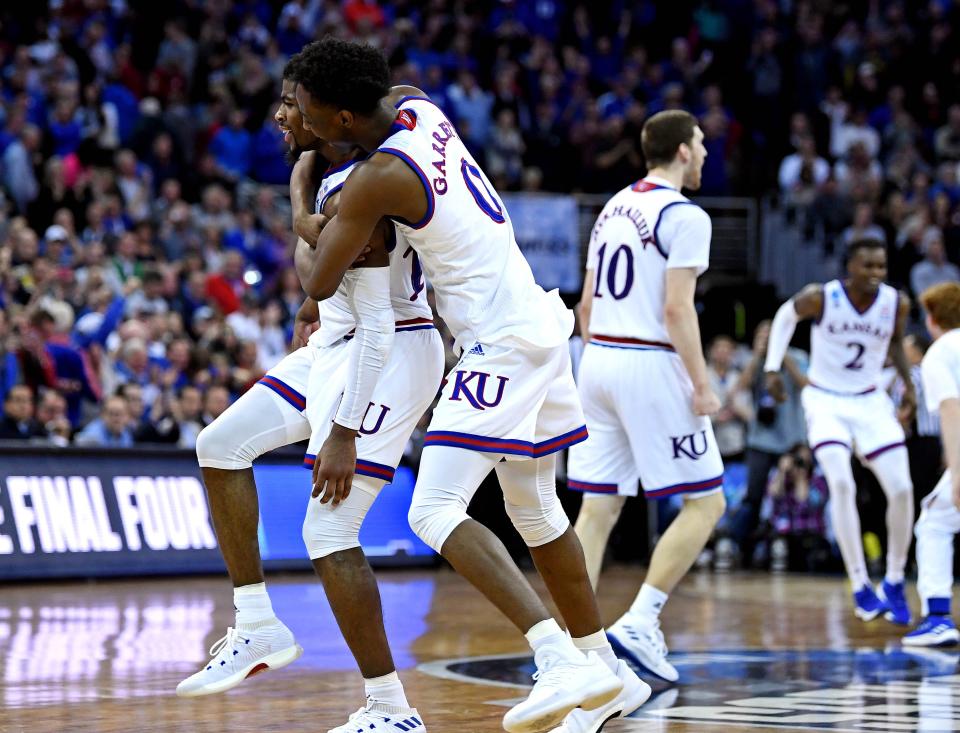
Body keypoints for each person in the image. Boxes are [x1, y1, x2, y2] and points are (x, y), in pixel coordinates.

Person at [289, 37, 643, 733]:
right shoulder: (420, 109)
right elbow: (397, 90)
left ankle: (559, 658)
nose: (295, 119)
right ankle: (608, 670)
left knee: (433, 508)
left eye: (305, 109)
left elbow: (318, 278)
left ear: (343, 121)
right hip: (543, 320)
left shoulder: (378, 178)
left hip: (500, 343)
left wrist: (301, 194)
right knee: (536, 513)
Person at [176, 68, 444, 733]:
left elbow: (379, 318)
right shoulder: (328, 176)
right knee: (219, 444)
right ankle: (257, 623)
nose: (278, 115)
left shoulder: (365, 180)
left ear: (331, 112)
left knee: (327, 532)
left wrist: (345, 431)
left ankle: (392, 710)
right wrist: (309, 295)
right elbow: (324, 262)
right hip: (337, 341)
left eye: (290, 104)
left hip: (391, 348)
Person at [566, 109, 726, 683]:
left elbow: (584, 305)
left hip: (598, 359)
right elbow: (677, 309)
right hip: (648, 362)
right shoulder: (685, 215)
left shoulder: (613, 205)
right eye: (701, 144)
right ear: (682, 150)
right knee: (708, 503)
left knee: (599, 508)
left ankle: (571, 645)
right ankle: (640, 621)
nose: (706, 152)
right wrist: (703, 386)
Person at [764, 239, 916, 624]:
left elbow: (896, 343)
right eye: (868, 266)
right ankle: (861, 584)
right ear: (850, 266)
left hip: (870, 400)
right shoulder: (822, 297)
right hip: (825, 400)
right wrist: (771, 367)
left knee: (901, 489)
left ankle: (895, 580)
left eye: (882, 266)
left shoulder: (895, 303)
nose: (877, 274)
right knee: (842, 484)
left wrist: (908, 385)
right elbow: (785, 316)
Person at [903, 282, 960, 646]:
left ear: (931, 318)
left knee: (934, 522)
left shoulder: (940, 352)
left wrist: (956, 471)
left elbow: (951, 408)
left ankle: (938, 617)